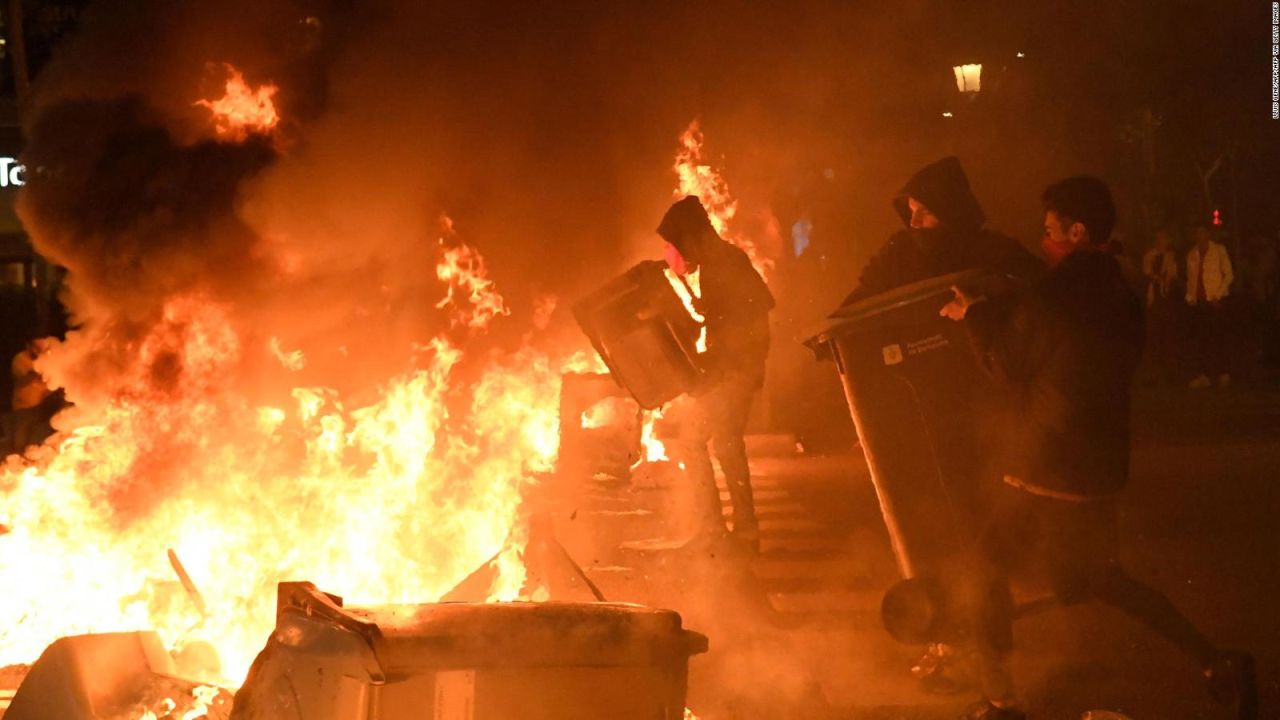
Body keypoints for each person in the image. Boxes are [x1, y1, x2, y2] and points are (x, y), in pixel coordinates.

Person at [941, 177, 1256, 720]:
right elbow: (1065, 354)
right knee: (1101, 579)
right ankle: (1217, 661)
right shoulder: (1120, 292)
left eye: (1050, 232)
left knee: (983, 570)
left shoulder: (1054, 295)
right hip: (1098, 468)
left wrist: (972, 317)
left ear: (1078, 231)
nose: (1043, 242)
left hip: (1047, 467)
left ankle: (999, 702)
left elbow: (1007, 365)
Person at [658, 195, 774, 552]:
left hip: (733, 370)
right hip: (733, 369)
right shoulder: (720, 263)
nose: (681, 253)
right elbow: (733, 314)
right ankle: (740, 530)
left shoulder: (726, 262)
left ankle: (719, 530)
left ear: (695, 237)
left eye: (680, 244)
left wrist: (727, 366)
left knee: (699, 441)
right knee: (723, 445)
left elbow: (754, 316)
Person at [840, 156, 1043, 306]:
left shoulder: (995, 251)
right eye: (911, 212)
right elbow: (861, 300)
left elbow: (1041, 295)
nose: (914, 222)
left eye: (925, 212)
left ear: (950, 212)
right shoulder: (898, 255)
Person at [1184, 225, 1235, 388]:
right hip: (1199, 302)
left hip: (1214, 301)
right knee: (1201, 339)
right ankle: (1203, 375)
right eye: (1197, 232)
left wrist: (1218, 295)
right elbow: (1190, 278)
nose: (1200, 235)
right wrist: (1190, 296)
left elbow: (1229, 274)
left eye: (1203, 232)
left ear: (1208, 234)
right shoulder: (1192, 254)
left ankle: (1223, 373)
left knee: (1218, 337)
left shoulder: (1219, 250)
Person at [1141, 228, 1181, 384]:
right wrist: (1156, 278)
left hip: (1167, 301)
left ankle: (1169, 373)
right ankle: (1155, 374)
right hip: (1155, 301)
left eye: (1164, 239)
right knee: (1155, 337)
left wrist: (1167, 280)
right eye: (1159, 239)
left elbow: (1174, 276)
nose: (1161, 242)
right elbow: (1147, 273)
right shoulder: (1150, 256)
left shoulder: (1171, 258)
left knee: (1168, 337)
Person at [10, 338, 52, 454]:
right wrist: (37, 373)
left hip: (39, 404)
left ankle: (33, 458)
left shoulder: (44, 358)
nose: (39, 352)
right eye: (36, 348)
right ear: (28, 346)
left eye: (41, 349)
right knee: (21, 436)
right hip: (23, 406)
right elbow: (22, 380)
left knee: (36, 435)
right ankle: (17, 460)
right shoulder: (20, 359)